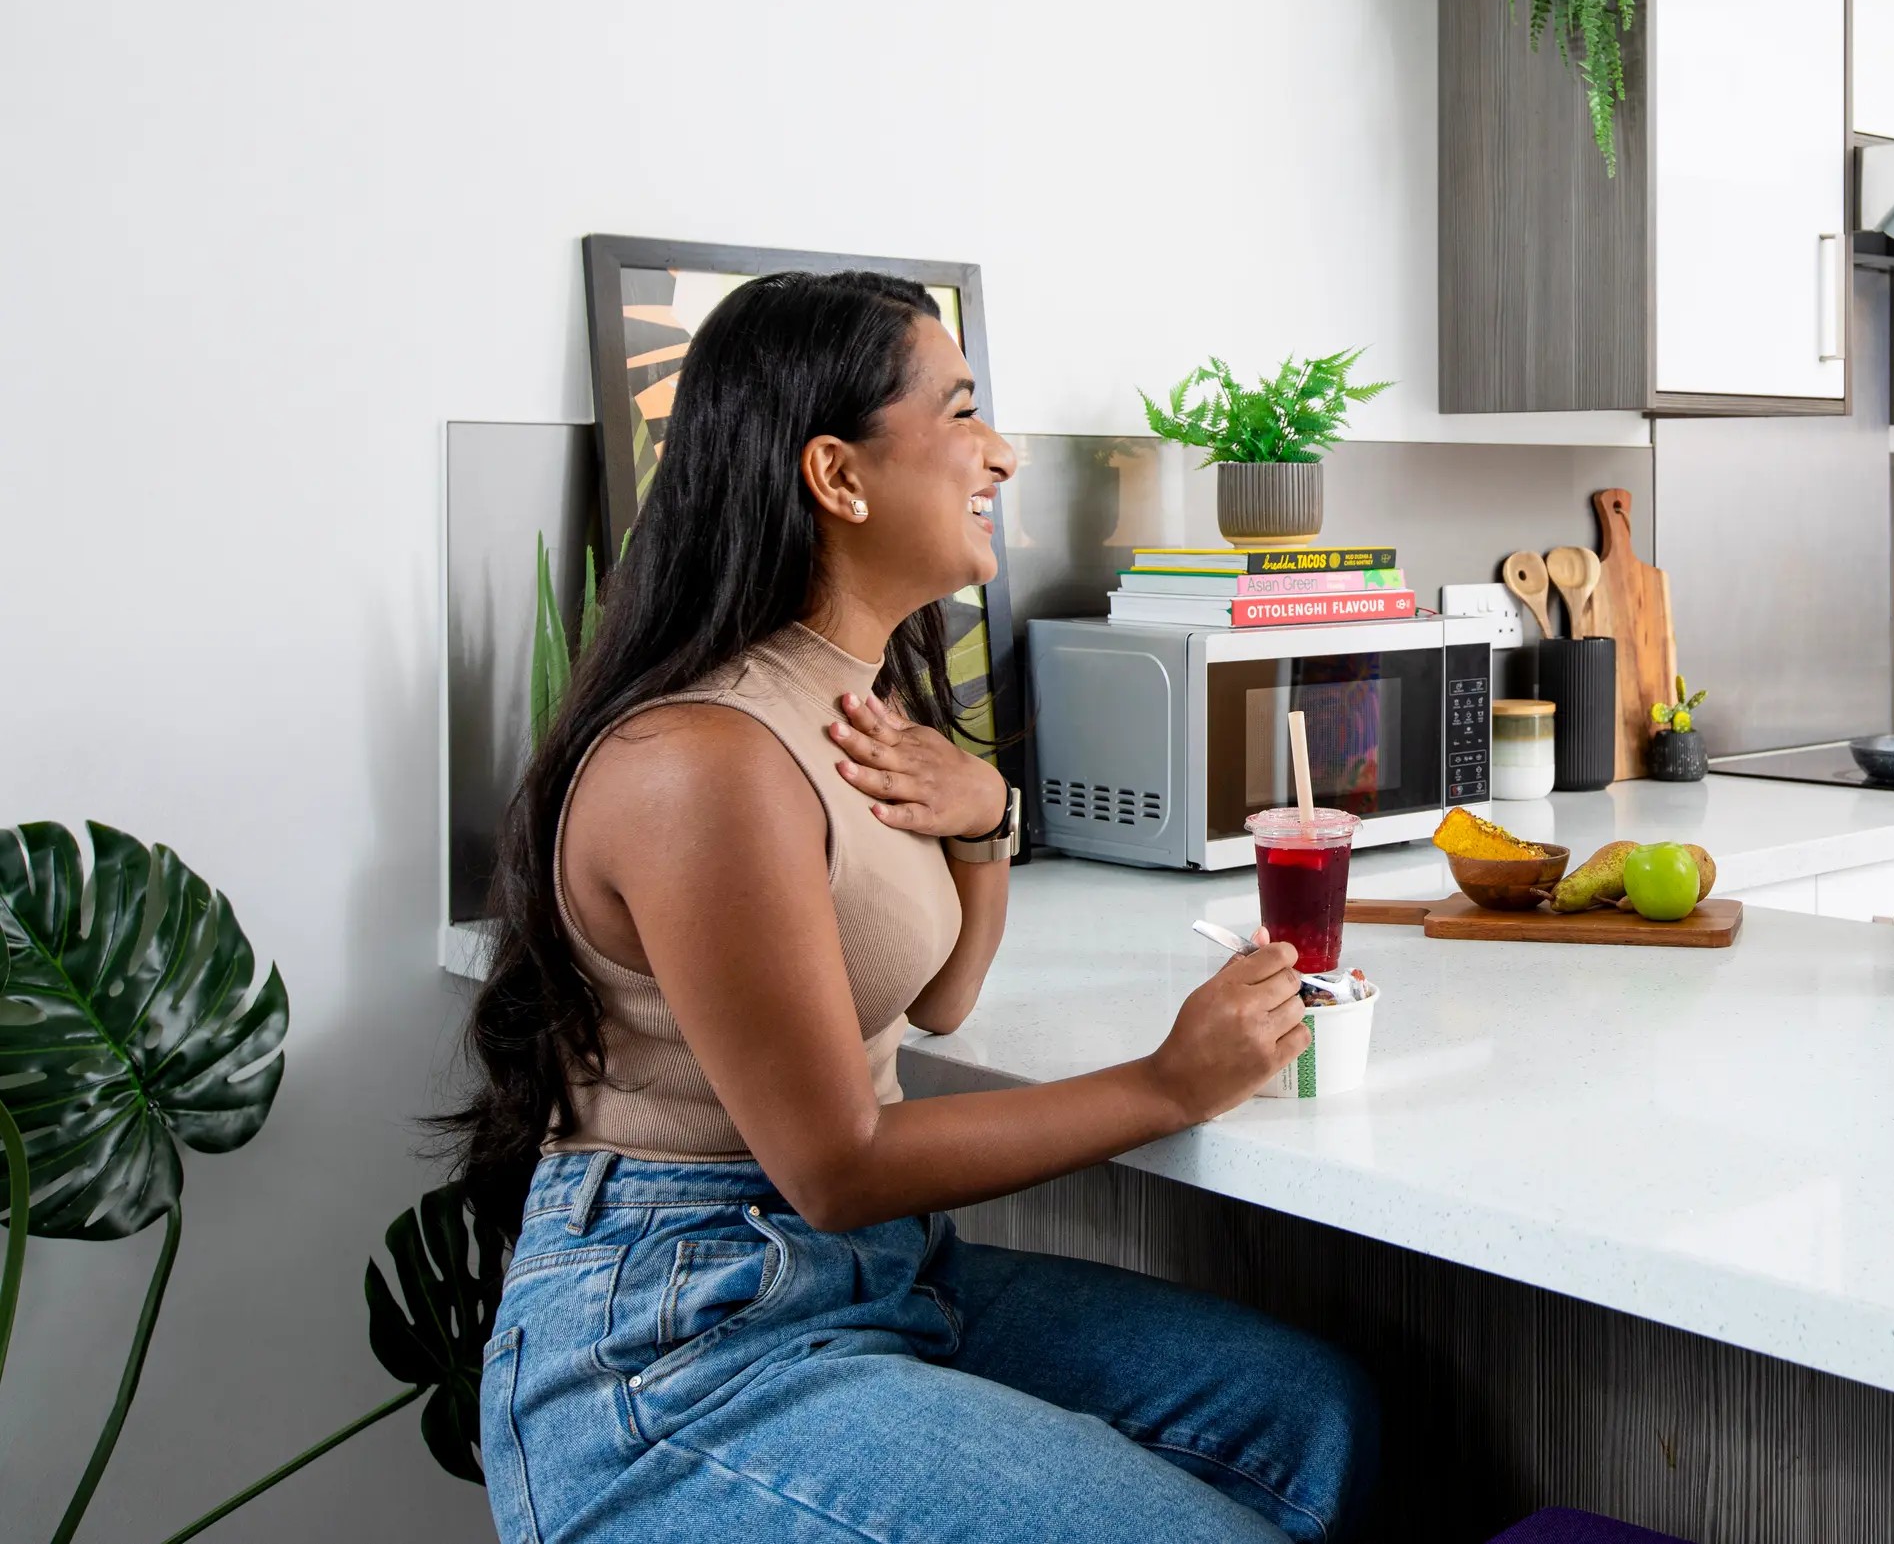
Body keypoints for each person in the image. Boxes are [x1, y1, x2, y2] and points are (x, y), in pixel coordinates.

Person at [447, 271, 1372, 1543]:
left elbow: (938, 995)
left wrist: (987, 817)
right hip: (677, 1340)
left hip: (869, 1276)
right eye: (962, 412)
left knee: (1310, 1416)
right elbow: (836, 1168)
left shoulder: (854, 710)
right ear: (839, 476)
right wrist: (1170, 1082)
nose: (1002, 452)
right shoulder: (705, 764)